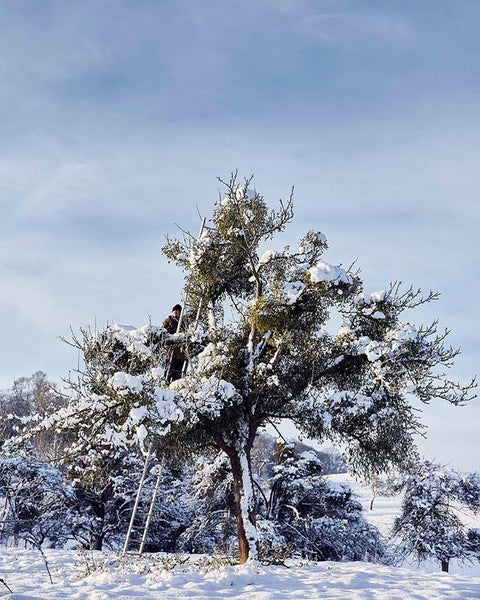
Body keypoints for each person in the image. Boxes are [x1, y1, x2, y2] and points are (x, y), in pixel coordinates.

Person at [162, 304, 186, 382]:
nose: (176, 312)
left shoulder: (183, 322)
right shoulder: (168, 320)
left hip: (180, 347)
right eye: (175, 311)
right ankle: (167, 380)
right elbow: (162, 330)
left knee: (178, 365)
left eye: (178, 311)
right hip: (170, 346)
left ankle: (176, 381)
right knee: (169, 364)